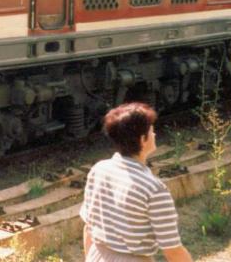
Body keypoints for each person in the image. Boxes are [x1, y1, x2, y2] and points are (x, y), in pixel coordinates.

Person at [81, 102, 193, 262]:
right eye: (152, 131)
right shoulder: (154, 189)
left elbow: (88, 229)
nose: (154, 135)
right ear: (142, 140)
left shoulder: (99, 170)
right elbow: (172, 250)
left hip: (97, 255)